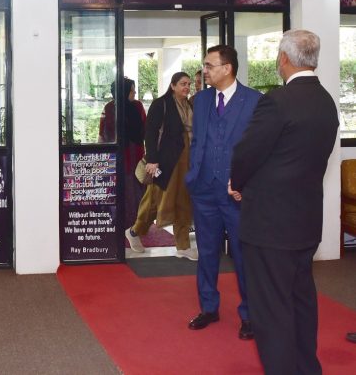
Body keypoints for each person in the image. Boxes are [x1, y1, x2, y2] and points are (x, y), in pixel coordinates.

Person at [230, 30, 338, 374]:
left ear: (284, 59)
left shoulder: (277, 101)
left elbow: (248, 152)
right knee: (301, 302)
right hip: (306, 221)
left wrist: (237, 183)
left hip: (270, 226)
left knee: (271, 310)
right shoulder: (326, 101)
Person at [185, 45, 261, 339]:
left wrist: (246, 184)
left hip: (236, 194)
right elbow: (197, 141)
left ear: (227, 68)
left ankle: (250, 315)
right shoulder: (202, 100)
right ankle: (208, 308)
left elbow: (258, 148)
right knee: (206, 253)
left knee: (243, 255)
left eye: (209, 65)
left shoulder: (254, 100)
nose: (204, 70)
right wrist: (193, 175)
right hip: (203, 190)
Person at [125, 72, 196, 260]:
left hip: (186, 160)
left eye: (188, 84)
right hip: (165, 162)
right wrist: (152, 160)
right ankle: (134, 231)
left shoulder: (189, 105)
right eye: (183, 84)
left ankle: (183, 246)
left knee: (183, 201)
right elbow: (150, 132)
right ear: (172, 85)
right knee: (154, 201)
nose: (187, 87)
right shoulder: (161, 104)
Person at [99, 77, 146, 226]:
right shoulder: (110, 108)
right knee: (124, 185)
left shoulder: (136, 106)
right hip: (120, 155)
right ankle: (125, 219)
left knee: (135, 185)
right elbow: (103, 132)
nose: (134, 93)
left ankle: (136, 220)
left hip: (134, 154)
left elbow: (145, 128)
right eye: (132, 91)